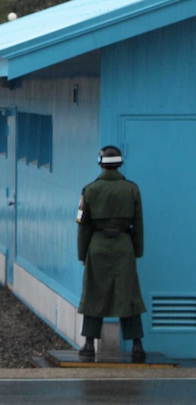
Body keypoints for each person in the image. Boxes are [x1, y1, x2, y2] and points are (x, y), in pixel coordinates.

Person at [76, 145, 147, 363]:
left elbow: (83, 226)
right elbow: (138, 224)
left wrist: (82, 254)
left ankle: (89, 344)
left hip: (97, 246)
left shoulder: (89, 190)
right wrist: (137, 250)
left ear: (100, 163)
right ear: (120, 163)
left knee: (94, 293)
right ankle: (137, 345)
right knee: (129, 295)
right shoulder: (132, 189)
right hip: (124, 245)